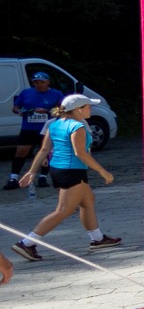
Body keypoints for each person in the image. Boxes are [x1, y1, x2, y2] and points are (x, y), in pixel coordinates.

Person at [11, 94, 119, 261]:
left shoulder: (54, 124)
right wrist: (102, 171)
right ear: (77, 110)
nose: (90, 109)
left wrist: (32, 171)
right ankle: (26, 243)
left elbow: (44, 150)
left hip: (59, 169)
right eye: (88, 106)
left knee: (88, 200)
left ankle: (97, 239)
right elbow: (80, 153)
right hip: (72, 171)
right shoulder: (77, 126)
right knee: (63, 210)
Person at [7, 68, 61, 189]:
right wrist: (20, 111)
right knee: (21, 151)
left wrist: (47, 111)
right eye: (36, 82)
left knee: (46, 151)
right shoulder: (26, 92)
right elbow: (16, 107)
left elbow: (62, 109)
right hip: (28, 128)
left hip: (47, 127)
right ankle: (14, 177)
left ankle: (43, 177)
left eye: (42, 82)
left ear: (48, 82)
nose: (39, 84)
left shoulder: (56, 94)